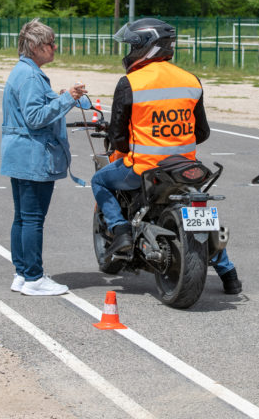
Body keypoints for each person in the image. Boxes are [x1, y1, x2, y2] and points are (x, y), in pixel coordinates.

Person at [90, 17, 242, 294]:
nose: (128, 51)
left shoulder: (130, 83)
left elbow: (120, 137)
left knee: (100, 181)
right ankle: (228, 273)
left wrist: (121, 147)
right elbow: (202, 132)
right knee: (202, 212)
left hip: (143, 169)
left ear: (146, 46)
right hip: (185, 167)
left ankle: (120, 229)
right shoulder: (190, 80)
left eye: (132, 45)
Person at [1, 19, 87, 296]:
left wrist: (61, 96)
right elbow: (35, 117)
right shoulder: (29, 76)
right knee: (33, 219)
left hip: (21, 153)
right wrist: (67, 100)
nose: (54, 47)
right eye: (49, 43)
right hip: (32, 155)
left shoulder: (26, 72)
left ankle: (22, 273)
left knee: (23, 218)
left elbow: (36, 107)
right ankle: (34, 278)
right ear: (35, 47)